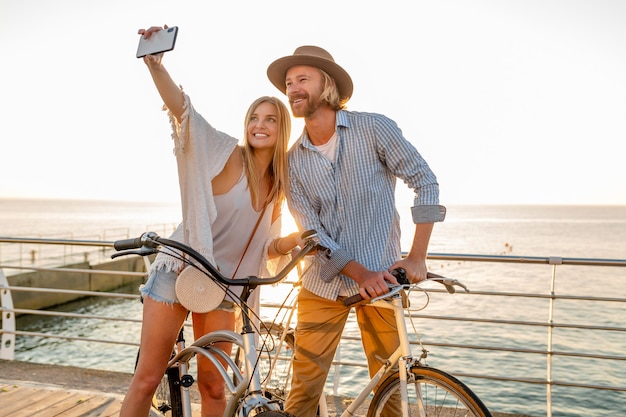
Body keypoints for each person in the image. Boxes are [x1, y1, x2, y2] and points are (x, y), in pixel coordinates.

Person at [120, 26, 301, 417]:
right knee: (148, 377)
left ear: (281, 128)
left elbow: (267, 246)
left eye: (270, 118)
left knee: (215, 387)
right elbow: (183, 111)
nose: (260, 124)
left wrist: (294, 242)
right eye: (254, 116)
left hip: (224, 286)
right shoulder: (225, 151)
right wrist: (155, 66)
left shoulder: (278, 185)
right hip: (179, 270)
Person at [266, 45, 446, 417]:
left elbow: (425, 182)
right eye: (289, 83)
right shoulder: (292, 160)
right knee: (304, 387)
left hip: (384, 281)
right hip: (323, 285)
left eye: (303, 80)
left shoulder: (373, 128)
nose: (293, 89)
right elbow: (312, 233)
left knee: (391, 388)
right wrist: (358, 273)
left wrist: (417, 257)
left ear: (327, 85)